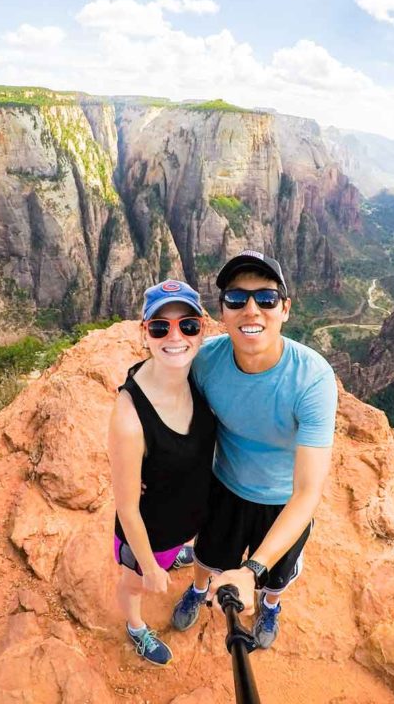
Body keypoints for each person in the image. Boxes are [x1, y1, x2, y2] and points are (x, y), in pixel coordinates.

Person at [171, 250, 338, 650]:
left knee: (276, 576)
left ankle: (271, 604)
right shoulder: (205, 362)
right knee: (208, 557)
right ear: (222, 311)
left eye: (265, 299)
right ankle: (197, 590)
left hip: (283, 502)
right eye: (236, 299)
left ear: (285, 309)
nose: (251, 310)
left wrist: (250, 570)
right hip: (225, 486)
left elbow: (307, 493)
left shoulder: (313, 380)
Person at [108, 279, 217, 666]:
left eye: (187, 325)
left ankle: (174, 556)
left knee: (175, 553)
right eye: (160, 326)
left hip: (183, 523)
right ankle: (136, 628)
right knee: (134, 583)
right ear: (146, 333)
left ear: (202, 327)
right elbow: (126, 507)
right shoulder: (129, 417)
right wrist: (151, 567)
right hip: (149, 537)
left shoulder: (200, 374)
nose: (175, 336)